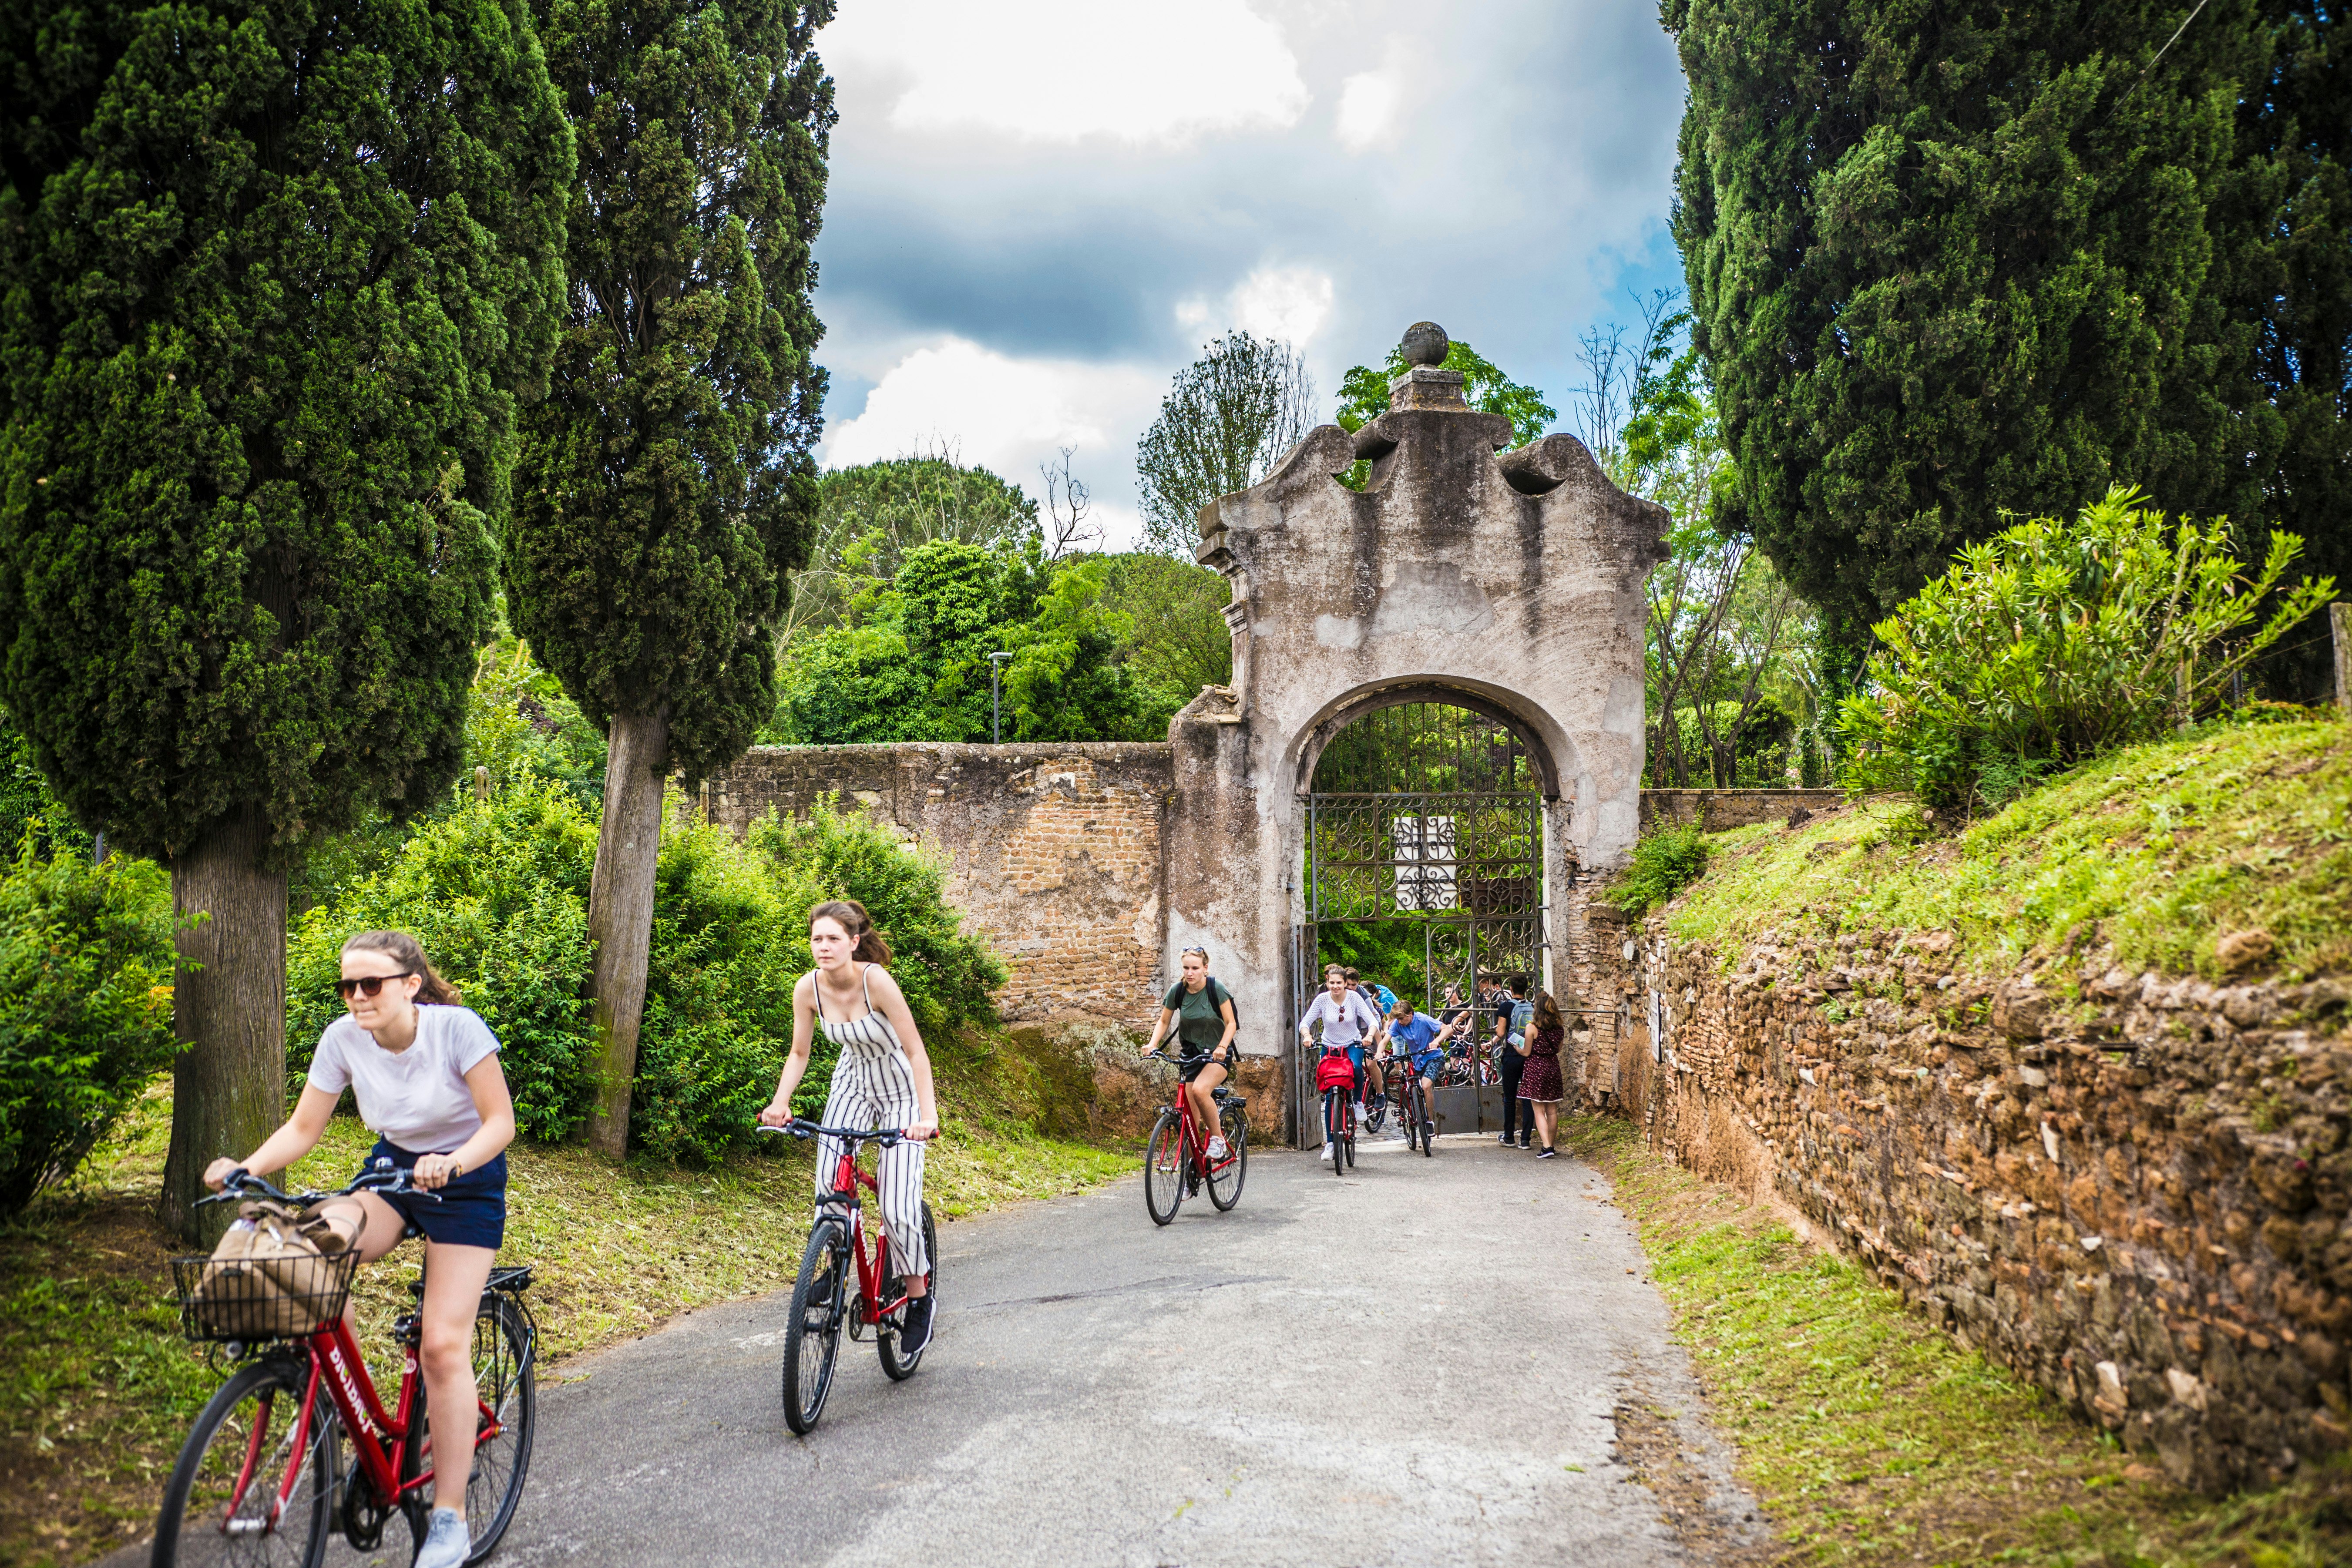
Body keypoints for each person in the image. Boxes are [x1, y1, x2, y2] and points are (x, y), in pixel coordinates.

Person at [203, 931, 517, 1568]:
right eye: (348, 985)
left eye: (370, 983)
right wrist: (246, 1167)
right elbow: (303, 1126)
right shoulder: (342, 1038)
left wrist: (452, 1162)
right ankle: (339, 1409)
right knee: (313, 1248)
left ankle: (450, 1518)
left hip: (465, 1182)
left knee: (441, 1345)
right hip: (391, 1175)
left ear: (409, 983)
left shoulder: (457, 1029)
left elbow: (500, 1122)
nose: (357, 996)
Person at [759, 900, 941, 1355]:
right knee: (829, 1189)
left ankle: (919, 1300)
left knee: (897, 1209)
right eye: (817, 939)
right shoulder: (808, 989)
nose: (824, 947)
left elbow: (916, 1051)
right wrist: (780, 1103)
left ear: (854, 942)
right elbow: (799, 1054)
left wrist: (927, 1116)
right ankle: (836, 1262)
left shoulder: (874, 980)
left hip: (900, 1090)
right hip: (852, 1086)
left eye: (833, 939)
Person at [1143, 946, 1240, 1169]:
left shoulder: (1216, 989)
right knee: (1189, 1122)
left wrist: (1223, 1046)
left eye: (1195, 968)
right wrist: (1152, 1044)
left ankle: (1218, 1139)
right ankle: (1191, 1175)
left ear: (1205, 969)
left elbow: (1231, 1023)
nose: (1190, 973)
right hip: (1191, 1057)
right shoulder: (1178, 991)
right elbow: (1164, 1022)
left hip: (1217, 1055)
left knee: (1199, 1090)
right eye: (1186, 968)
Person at [1297, 964, 1382, 1120]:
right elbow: (1305, 1023)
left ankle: (1357, 1102)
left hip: (1352, 1043)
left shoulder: (1355, 998)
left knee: (1356, 1066)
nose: (1335, 987)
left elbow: (1373, 1021)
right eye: (1332, 983)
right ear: (1328, 982)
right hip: (1329, 1045)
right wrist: (1307, 1036)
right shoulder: (1322, 999)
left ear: (1345, 983)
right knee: (1330, 1093)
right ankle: (1331, 1142)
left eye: (1339, 983)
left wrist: (1370, 1036)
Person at [1376, 998, 1459, 1142]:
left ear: (1410, 1014)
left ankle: (1429, 1121)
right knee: (1408, 1086)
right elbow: (1385, 1041)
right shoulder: (1398, 1024)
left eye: (1402, 1018)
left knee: (1426, 1086)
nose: (1400, 1022)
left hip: (1433, 1058)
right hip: (1417, 1061)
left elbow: (1447, 1029)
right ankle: (1410, 1114)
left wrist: (1436, 1041)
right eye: (1398, 1019)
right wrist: (1379, 1052)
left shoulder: (1423, 1020)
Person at [1519, 990, 1569, 1158]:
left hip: (1536, 1068)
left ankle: (1546, 1147)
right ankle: (1551, 1145)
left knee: (1539, 1110)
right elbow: (1559, 1049)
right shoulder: (1559, 1028)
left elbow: (1527, 1052)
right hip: (1553, 1067)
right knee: (1552, 1110)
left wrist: (1516, 1048)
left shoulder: (1532, 1027)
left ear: (1537, 1009)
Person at [1496, 976, 1534, 1148]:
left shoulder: (1506, 1007)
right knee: (1528, 1099)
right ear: (1526, 989)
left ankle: (1509, 1137)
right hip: (1529, 1057)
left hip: (1512, 1056)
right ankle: (1526, 1139)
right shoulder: (1532, 1007)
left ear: (1511, 988)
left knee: (1510, 1098)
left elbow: (1501, 1032)